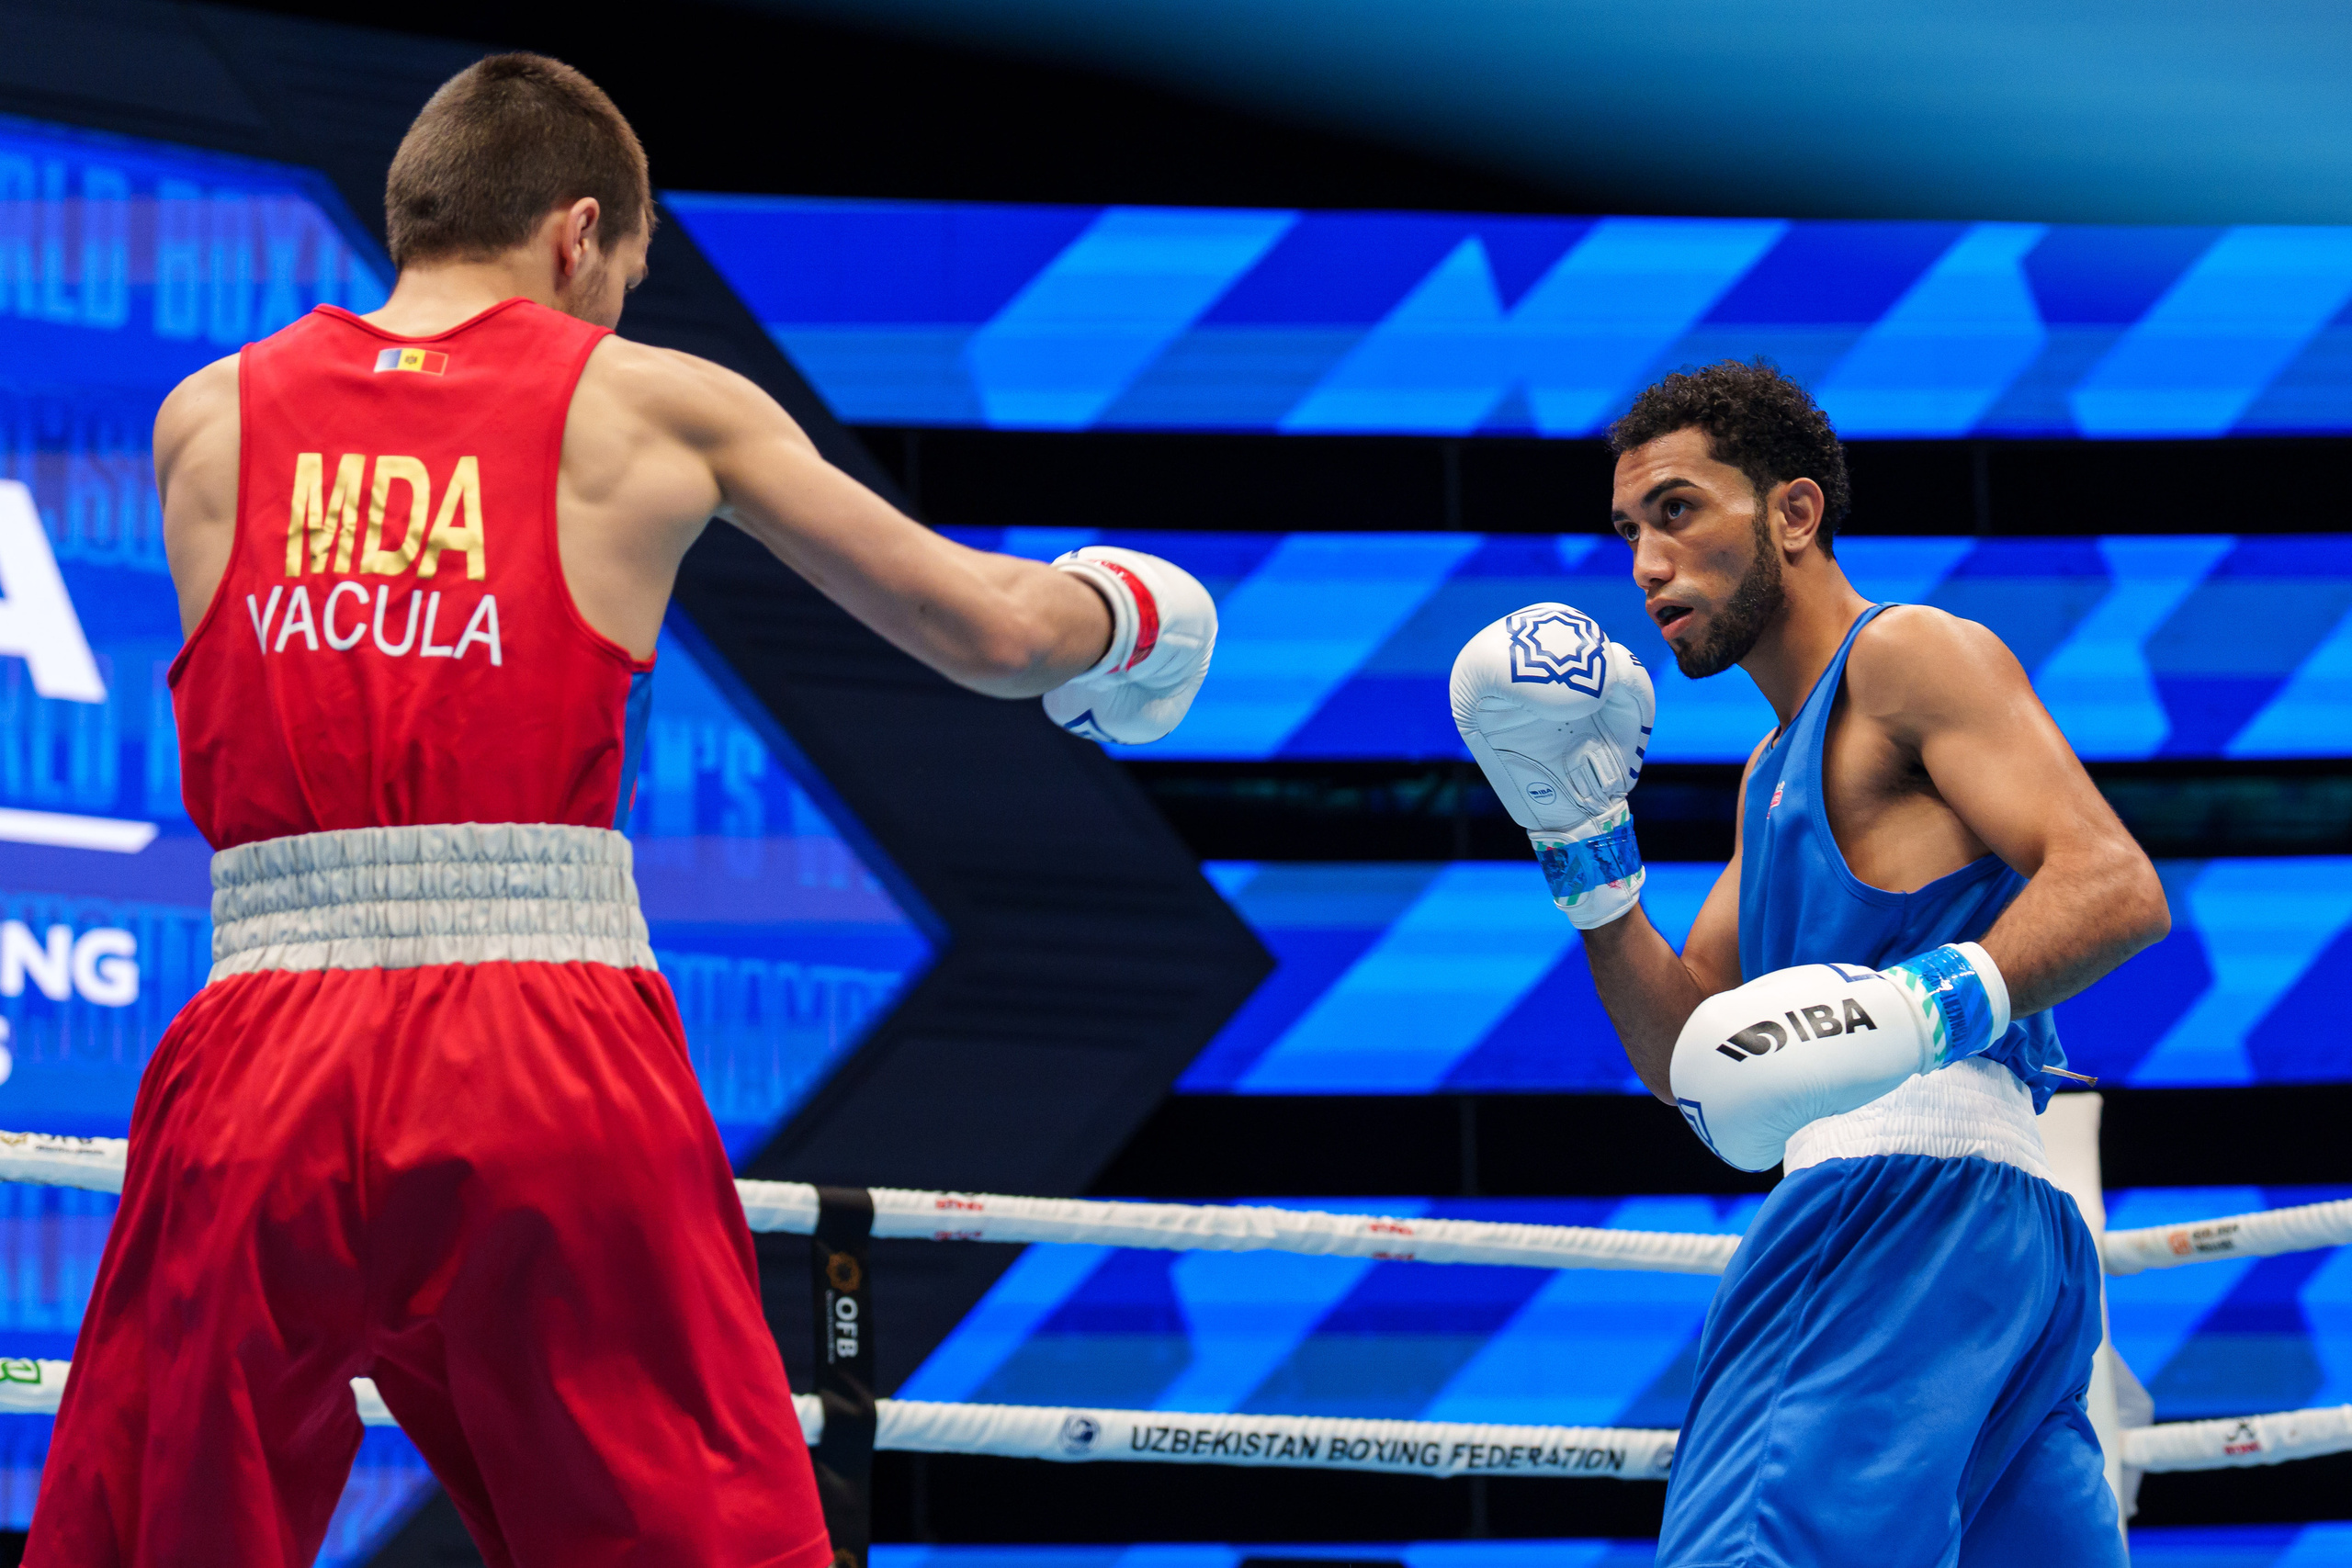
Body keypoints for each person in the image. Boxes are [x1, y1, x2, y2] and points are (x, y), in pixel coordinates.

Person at [27, 53, 1214, 1568]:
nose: (614, 312)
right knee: (687, 1534)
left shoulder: (210, 418)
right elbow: (987, 628)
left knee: (152, 1535)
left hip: (262, 1052)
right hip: (542, 1046)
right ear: (578, 234)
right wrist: (1134, 616)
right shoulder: (651, 401)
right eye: (626, 276)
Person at [1450, 360, 2167, 1566]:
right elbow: (1694, 1066)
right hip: (2014, 1247)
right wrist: (1583, 856)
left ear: (1793, 513)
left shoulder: (1911, 656)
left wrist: (1912, 1009)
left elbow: (2113, 887)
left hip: (1890, 1208)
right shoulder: (1769, 771)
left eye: (1677, 510)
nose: (1645, 564)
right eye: (1628, 531)